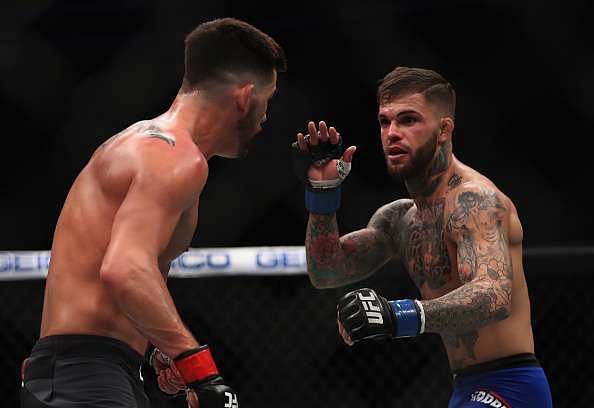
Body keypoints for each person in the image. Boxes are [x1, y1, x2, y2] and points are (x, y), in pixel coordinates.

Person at [21, 17, 286, 408]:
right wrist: (200, 369)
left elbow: (128, 268)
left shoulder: (152, 146)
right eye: (268, 101)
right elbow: (124, 269)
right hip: (85, 373)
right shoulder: (175, 158)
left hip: (95, 369)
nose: (265, 118)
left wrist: (162, 344)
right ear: (245, 96)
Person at [293, 67, 552, 407]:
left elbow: (494, 294)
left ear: (444, 130)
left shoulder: (475, 201)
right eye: (385, 122)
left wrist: (398, 315)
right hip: (466, 387)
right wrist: (323, 194)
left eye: (409, 120)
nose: (392, 133)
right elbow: (327, 271)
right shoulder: (399, 219)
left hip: (512, 387)